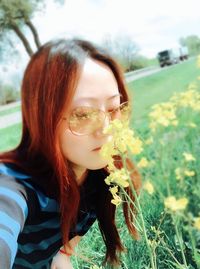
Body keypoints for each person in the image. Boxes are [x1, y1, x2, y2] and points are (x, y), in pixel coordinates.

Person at [0, 38, 140, 269]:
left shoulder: (101, 179)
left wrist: (62, 255)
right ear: (42, 119)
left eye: (114, 109)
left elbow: (65, 246)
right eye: (83, 114)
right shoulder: (14, 187)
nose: (107, 130)